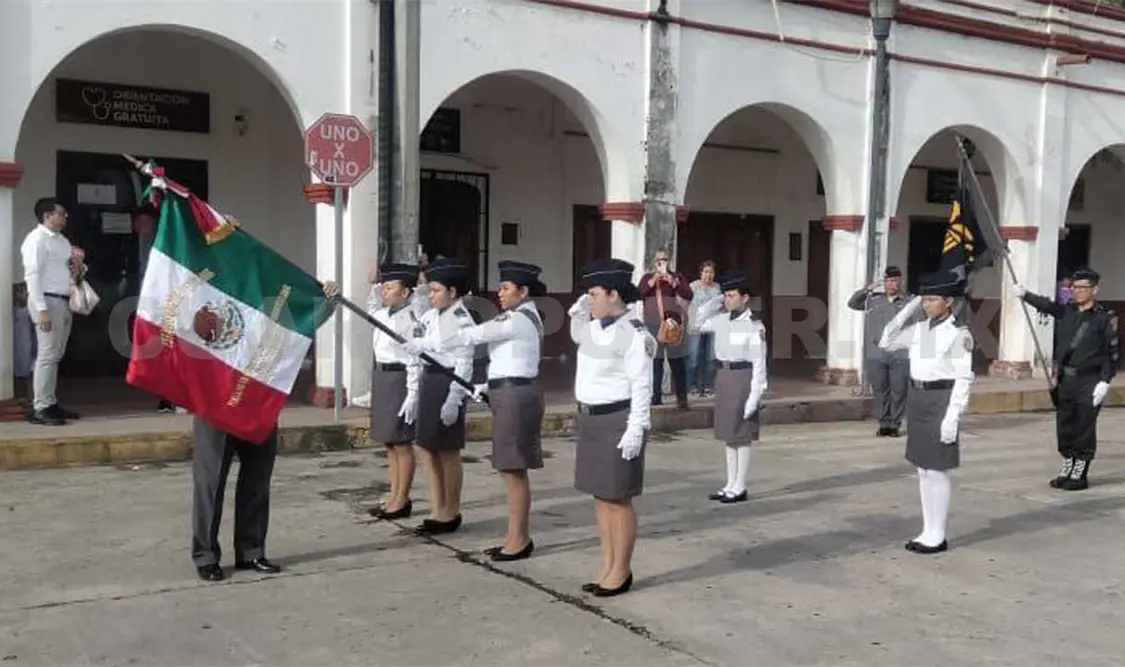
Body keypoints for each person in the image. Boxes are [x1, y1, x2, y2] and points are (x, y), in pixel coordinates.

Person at [419, 260, 547, 560]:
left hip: (515, 396)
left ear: (523, 291)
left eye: (505, 288)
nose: (499, 293)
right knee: (509, 468)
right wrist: (487, 386)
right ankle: (514, 536)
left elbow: (470, 336)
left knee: (513, 470)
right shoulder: (522, 317)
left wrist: (422, 344)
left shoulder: (517, 319)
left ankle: (519, 540)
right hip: (507, 390)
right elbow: (513, 360)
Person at [567, 258, 655, 597]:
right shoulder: (595, 328)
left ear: (613, 294)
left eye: (593, 294)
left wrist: (636, 428)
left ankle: (621, 570)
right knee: (601, 497)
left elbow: (642, 384)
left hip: (618, 420)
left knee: (618, 499)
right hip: (591, 419)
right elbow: (578, 336)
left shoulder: (634, 333)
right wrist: (578, 314)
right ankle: (607, 564)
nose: (589, 300)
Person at [878, 269, 975, 554]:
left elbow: (963, 379)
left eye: (932, 299)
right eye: (924, 299)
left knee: (937, 470)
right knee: (922, 469)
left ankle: (938, 534)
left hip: (941, 400)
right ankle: (927, 529)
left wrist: (952, 418)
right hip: (918, 398)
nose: (926, 304)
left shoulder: (958, 334)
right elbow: (887, 339)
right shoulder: (920, 328)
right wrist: (909, 307)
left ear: (948, 301)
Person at [1013, 268, 1119, 491]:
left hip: (1089, 380)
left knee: (1084, 426)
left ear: (1095, 290)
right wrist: (1025, 294)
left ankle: (1080, 470)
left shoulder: (1103, 318)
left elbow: (1112, 353)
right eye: (1074, 287)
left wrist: (1105, 381)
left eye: (1083, 287)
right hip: (1065, 380)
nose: (1077, 291)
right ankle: (1068, 462)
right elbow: (1046, 305)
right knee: (1065, 425)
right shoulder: (1066, 311)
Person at [404, 257, 477, 534]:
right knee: (424, 446)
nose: (431, 295)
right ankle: (437, 508)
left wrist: (454, 400)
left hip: (448, 382)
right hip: (430, 380)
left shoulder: (461, 319)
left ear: (453, 292)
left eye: (436, 290)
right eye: (431, 289)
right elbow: (417, 322)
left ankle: (451, 511)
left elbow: (465, 364)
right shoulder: (433, 315)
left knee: (448, 450)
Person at [690, 272, 769, 503]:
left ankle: (740, 485)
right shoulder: (722, 320)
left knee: (741, 435)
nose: (727, 299)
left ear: (745, 298)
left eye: (732, 295)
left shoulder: (754, 325)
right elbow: (697, 322)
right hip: (724, 376)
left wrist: (755, 396)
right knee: (728, 434)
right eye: (726, 295)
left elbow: (759, 363)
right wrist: (716, 300)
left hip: (743, 376)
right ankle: (730, 483)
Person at [364, 263, 424, 520]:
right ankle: (394, 493)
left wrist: (413, 394)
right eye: (384, 287)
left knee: (401, 442)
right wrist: (373, 284)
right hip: (382, 376)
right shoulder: (383, 313)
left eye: (390, 287)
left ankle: (402, 498)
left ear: (406, 292)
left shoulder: (410, 319)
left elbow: (415, 359)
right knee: (389, 441)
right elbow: (370, 308)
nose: (384, 292)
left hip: (400, 378)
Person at [191, 417, 281, 581]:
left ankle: (251, 551)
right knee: (210, 485)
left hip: (260, 410)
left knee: (257, 481)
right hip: (217, 411)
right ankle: (206, 556)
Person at [20, 197, 80, 426]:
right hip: (47, 299)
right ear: (47, 216)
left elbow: (65, 269)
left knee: (56, 354)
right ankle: (41, 406)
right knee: (47, 354)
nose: (65, 217)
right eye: (61, 213)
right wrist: (41, 308)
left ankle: (50, 401)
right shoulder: (36, 239)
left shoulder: (62, 241)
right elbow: (32, 275)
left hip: (63, 300)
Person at [848, 266, 916, 437]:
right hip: (876, 353)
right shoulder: (873, 300)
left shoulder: (909, 302)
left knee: (899, 390)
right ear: (883, 282)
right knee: (880, 391)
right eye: (888, 281)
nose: (891, 284)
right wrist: (868, 289)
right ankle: (883, 423)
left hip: (900, 353)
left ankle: (894, 424)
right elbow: (853, 303)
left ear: (900, 282)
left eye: (894, 281)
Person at [637, 248, 692, 409]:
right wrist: (653, 281)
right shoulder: (647, 278)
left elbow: (688, 294)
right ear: (654, 262)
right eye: (658, 260)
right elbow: (638, 294)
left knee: (677, 362)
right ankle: (655, 396)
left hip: (673, 325)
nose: (661, 263)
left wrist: (672, 281)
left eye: (665, 260)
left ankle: (681, 398)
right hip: (653, 325)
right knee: (656, 362)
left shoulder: (677, 277)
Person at [687, 261, 721, 396]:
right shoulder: (693, 287)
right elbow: (686, 304)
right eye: (706, 272)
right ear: (700, 273)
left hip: (712, 326)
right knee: (693, 357)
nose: (708, 275)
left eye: (711, 272)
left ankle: (708, 386)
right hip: (695, 326)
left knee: (711, 357)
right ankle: (692, 386)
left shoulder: (717, 287)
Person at [12, 282, 36, 402]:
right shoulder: (13, 311)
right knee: (18, 374)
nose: (24, 294)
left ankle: (30, 398)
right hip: (16, 347)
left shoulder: (31, 310)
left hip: (28, 345)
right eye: (20, 292)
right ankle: (21, 397)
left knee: (29, 373)